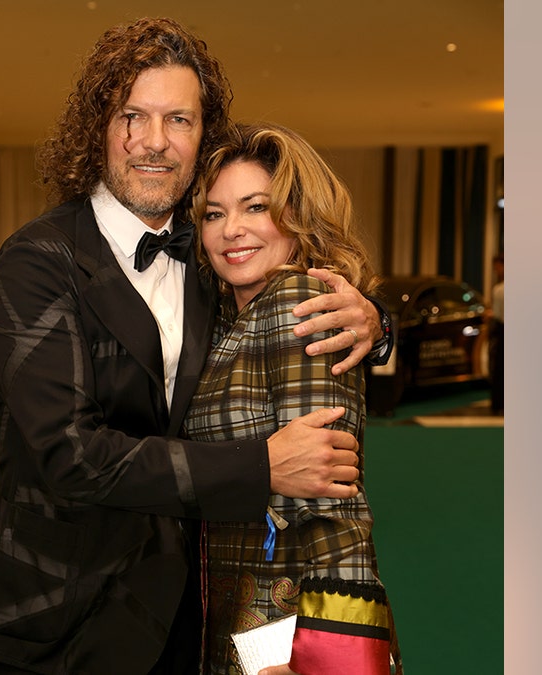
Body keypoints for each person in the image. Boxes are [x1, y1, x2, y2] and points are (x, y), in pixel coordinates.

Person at [0, 17, 392, 675]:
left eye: (180, 119)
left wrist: (375, 323)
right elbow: (71, 455)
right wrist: (258, 467)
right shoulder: (36, 263)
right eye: (131, 116)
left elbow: (318, 485)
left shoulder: (212, 262)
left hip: (193, 622)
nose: (154, 142)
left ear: (204, 136)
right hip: (67, 625)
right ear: (98, 128)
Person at [186, 122, 399, 675]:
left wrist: (318, 653)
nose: (231, 230)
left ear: (298, 216)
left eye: (255, 208)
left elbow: (328, 500)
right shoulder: (232, 315)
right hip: (235, 612)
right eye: (214, 213)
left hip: (276, 630)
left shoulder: (298, 301)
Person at [489, 254, 503, 414]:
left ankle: (498, 404)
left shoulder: (499, 289)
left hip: (502, 329)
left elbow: (498, 314)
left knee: (499, 367)